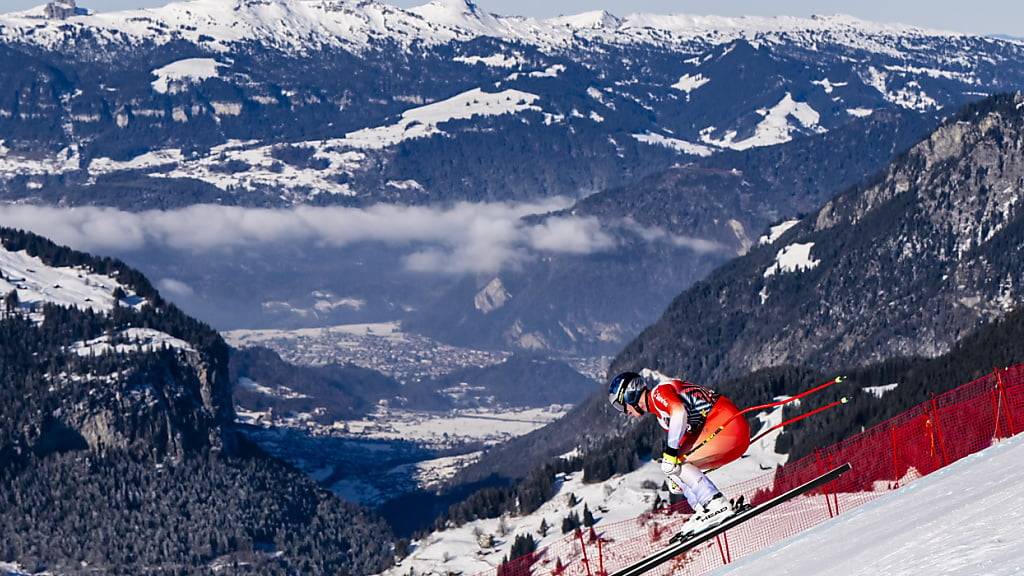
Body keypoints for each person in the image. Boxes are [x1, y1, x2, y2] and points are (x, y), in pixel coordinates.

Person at [608, 371, 750, 536]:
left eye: (620, 405)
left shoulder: (658, 393)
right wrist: (678, 477)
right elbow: (687, 438)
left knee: (673, 462)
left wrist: (671, 454)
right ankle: (704, 509)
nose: (624, 411)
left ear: (629, 394)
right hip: (728, 432)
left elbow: (679, 412)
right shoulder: (661, 416)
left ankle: (715, 503)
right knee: (672, 467)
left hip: (727, 426)